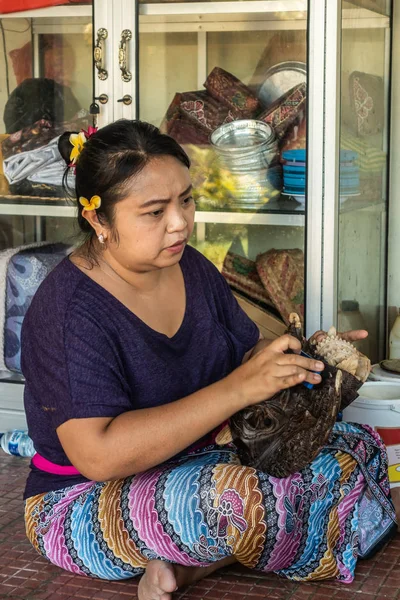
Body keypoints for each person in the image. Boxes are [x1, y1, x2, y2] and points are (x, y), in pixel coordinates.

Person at [21, 120, 397, 600]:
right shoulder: (70, 311)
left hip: (200, 456)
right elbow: (98, 456)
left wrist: (301, 356)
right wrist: (239, 388)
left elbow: (242, 357)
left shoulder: (188, 265)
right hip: (79, 499)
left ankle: (190, 566)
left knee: (356, 443)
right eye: (154, 211)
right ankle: (359, 516)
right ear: (98, 220)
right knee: (239, 499)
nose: (179, 222)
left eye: (186, 200)